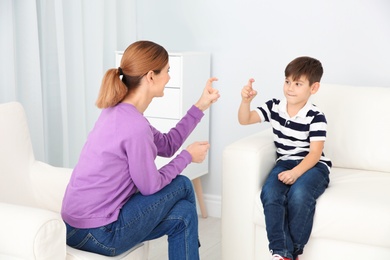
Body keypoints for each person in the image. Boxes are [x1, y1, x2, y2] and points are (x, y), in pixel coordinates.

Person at [61, 40, 220, 260]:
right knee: (183, 184)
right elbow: (150, 186)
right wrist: (187, 157)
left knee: (184, 215)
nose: (169, 78)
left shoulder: (118, 112)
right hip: (98, 233)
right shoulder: (135, 127)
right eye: (167, 71)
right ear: (151, 76)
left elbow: (168, 144)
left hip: (74, 228)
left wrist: (200, 105)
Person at [238, 56, 332, 260]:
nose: (290, 88)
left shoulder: (316, 116)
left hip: (314, 166)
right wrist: (246, 101)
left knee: (298, 194)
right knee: (270, 193)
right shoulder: (275, 107)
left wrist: (296, 173)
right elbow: (245, 120)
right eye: (288, 81)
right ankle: (282, 253)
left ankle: (294, 250)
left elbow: (315, 153)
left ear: (313, 88)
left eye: (298, 84)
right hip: (285, 162)